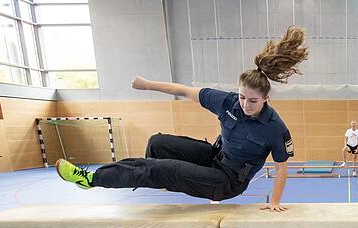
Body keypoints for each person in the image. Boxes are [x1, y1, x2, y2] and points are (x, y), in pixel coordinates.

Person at [55, 25, 309, 212]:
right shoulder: (227, 101)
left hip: (227, 182)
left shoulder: (274, 127)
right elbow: (184, 90)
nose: (245, 105)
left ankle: (90, 179)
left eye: (252, 101)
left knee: (159, 168)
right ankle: (158, 178)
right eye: (242, 97)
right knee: (157, 143)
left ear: (266, 98)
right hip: (215, 157)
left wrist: (275, 202)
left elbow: (281, 167)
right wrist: (146, 85)